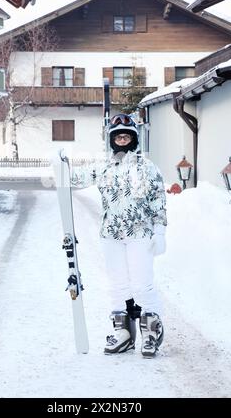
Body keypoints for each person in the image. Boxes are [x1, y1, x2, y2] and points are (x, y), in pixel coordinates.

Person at [71, 113, 167, 357]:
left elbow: (158, 199)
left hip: (140, 234)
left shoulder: (147, 168)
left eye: (126, 136)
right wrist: (59, 164)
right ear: (112, 140)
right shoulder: (103, 166)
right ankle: (123, 333)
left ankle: (151, 333)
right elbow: (75, 178)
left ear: (134, 139)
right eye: (118, 136)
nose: (122, 139)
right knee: (117, 285)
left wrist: (160, 229)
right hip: (111, 235)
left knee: (142, 284)